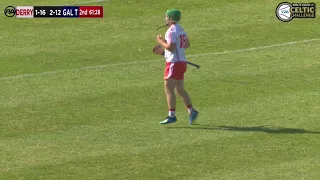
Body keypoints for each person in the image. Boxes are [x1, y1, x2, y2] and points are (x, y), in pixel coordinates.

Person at [156, 9, 199, 125]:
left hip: (173, 64)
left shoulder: (170, 31)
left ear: (171, 19)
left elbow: (171, 47)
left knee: (169, 90)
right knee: (179, 89)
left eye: (166, 17)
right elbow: (187, 44)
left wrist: (160, 41)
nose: (165, 19)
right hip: (181, 63)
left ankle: (171, 116)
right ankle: (191, 111)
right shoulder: (181, 29)